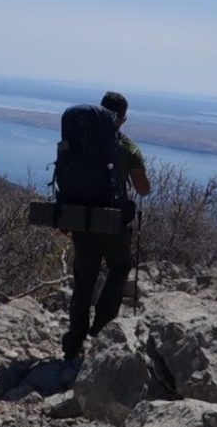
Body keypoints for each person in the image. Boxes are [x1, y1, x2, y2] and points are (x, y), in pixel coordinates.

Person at [61, 91, 151, 362]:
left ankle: (72, 344)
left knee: (83, 280)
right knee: (120, 267)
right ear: (122, 119)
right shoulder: (127, 147)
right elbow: (143, 190)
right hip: (112, 222)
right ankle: (101, 329)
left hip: (80, 218)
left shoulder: (78, 141)